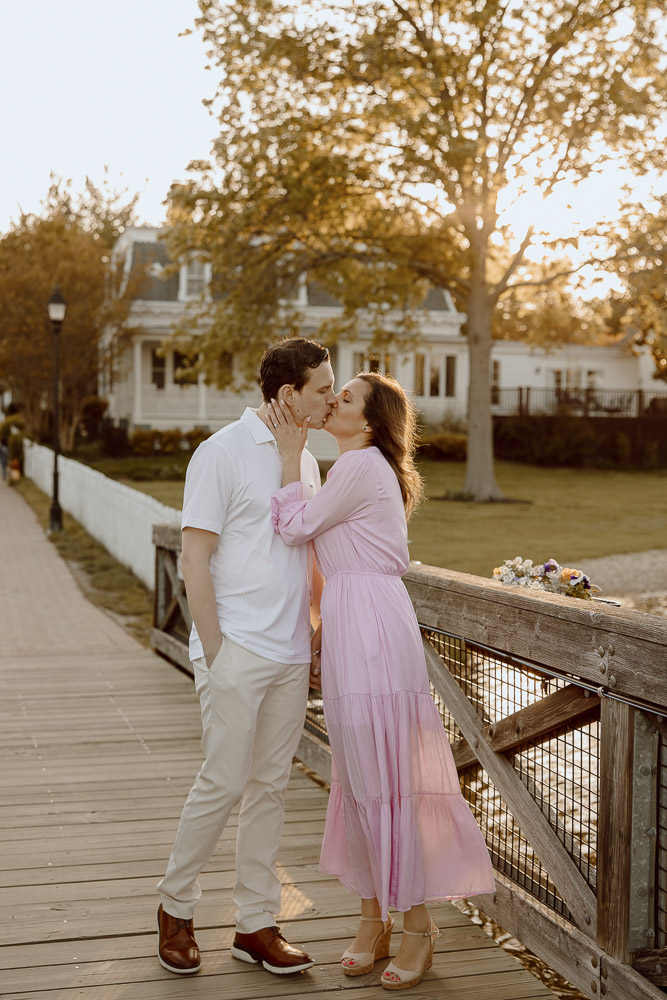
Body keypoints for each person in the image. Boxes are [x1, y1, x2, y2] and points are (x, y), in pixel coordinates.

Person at [267, 371, 495, 991]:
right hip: (350, 622)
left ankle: (417, 925)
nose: (334, 400)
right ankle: (373, 918)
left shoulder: (362, 466)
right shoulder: (352, 468)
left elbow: (293, 528)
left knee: (386, 775)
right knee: (361, 774)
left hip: (372, 624)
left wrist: (291, 458)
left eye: (346, 398)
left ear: (369, 422)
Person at [156, 337, 336, 976]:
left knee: (270, 788)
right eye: (322, 389)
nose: (333, 399)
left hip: (289, 653)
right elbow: (194, 558)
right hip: (235, 649)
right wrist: (215, 650)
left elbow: (302, 550)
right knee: (224, 780)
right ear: (289, 395)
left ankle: (255, 924)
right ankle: (175, 908)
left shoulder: (307, 461)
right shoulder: (221, 452)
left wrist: (313, 634)